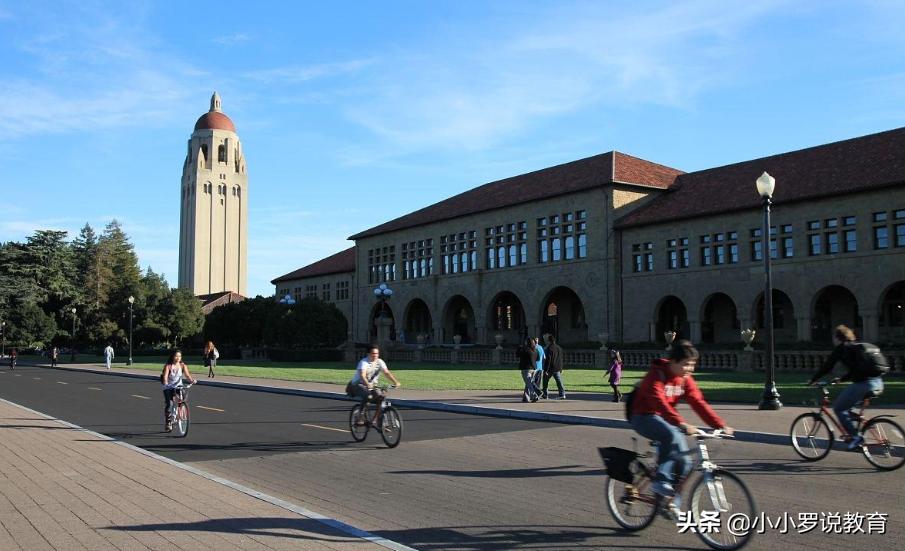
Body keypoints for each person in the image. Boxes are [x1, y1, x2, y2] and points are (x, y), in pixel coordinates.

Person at [628, 340, 734, 500]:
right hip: (641, 416)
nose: (690, 369)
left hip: (665, 418)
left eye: (692, 365)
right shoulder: (656, 375)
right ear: (673, 361)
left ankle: (670, 504)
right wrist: (681, 423)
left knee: (685, 463)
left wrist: (720, 425)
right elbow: (660, 402)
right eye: (686, 364)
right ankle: (661, 481)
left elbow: (698, 403)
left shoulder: (685, 379)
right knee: (671, 435)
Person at [808, 325, 885, 450]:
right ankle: (860, 429)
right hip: (878, 382)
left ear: (837, 338)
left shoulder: (842, 348)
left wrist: (813, 380)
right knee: (847, 408)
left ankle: (856, 437)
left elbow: (827, 366)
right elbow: (858, 369)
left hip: (863, 385)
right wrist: (841, 379)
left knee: (839, 408)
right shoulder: (857, 345)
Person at [348, 345, 401, 424]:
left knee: (381, 397)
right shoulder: (364, 362)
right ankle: (360, 416)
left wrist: (395, 382)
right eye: (373, 353)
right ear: (368, 354)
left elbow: (386, 373)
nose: (375, 355)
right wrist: (368, 384)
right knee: (368, 396)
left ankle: (376, 421)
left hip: (371, 385)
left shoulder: (380, 362)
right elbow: (362, 375)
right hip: (357, 385)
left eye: (377, 353)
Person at [159, 350, 197, 432]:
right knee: (170, 404)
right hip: (168, 386)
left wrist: (191, 380)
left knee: (183, 397)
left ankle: (181, 407)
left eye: (179, 356)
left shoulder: (182, 366)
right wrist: (165, 382)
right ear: (172, 357)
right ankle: (168, 422)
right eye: (176, 356)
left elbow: (187, 375)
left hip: (178, 386)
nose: (178, 358)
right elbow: (165, 376)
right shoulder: (168, 366)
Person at [542, 334, 566, 400]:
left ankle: (545, 394)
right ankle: (562, 394)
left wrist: (546, 370)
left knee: (545, 381)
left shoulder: (549, 348)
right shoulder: (559, 348)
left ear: (549, 341)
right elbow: (561, 359)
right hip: (557, 367)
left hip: (550, 368)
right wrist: (561, 368)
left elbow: (548, 360)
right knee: (559, 381)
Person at [516, 337, 539, 402]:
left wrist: (519, 348)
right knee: (528, 383)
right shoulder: (535, 350)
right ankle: (526, 397)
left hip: (526, 368)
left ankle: (534, 395)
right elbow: (538, 358)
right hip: (534, 369)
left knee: (529, 383)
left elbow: (517, 355)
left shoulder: (525, 349)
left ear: (527, 342)